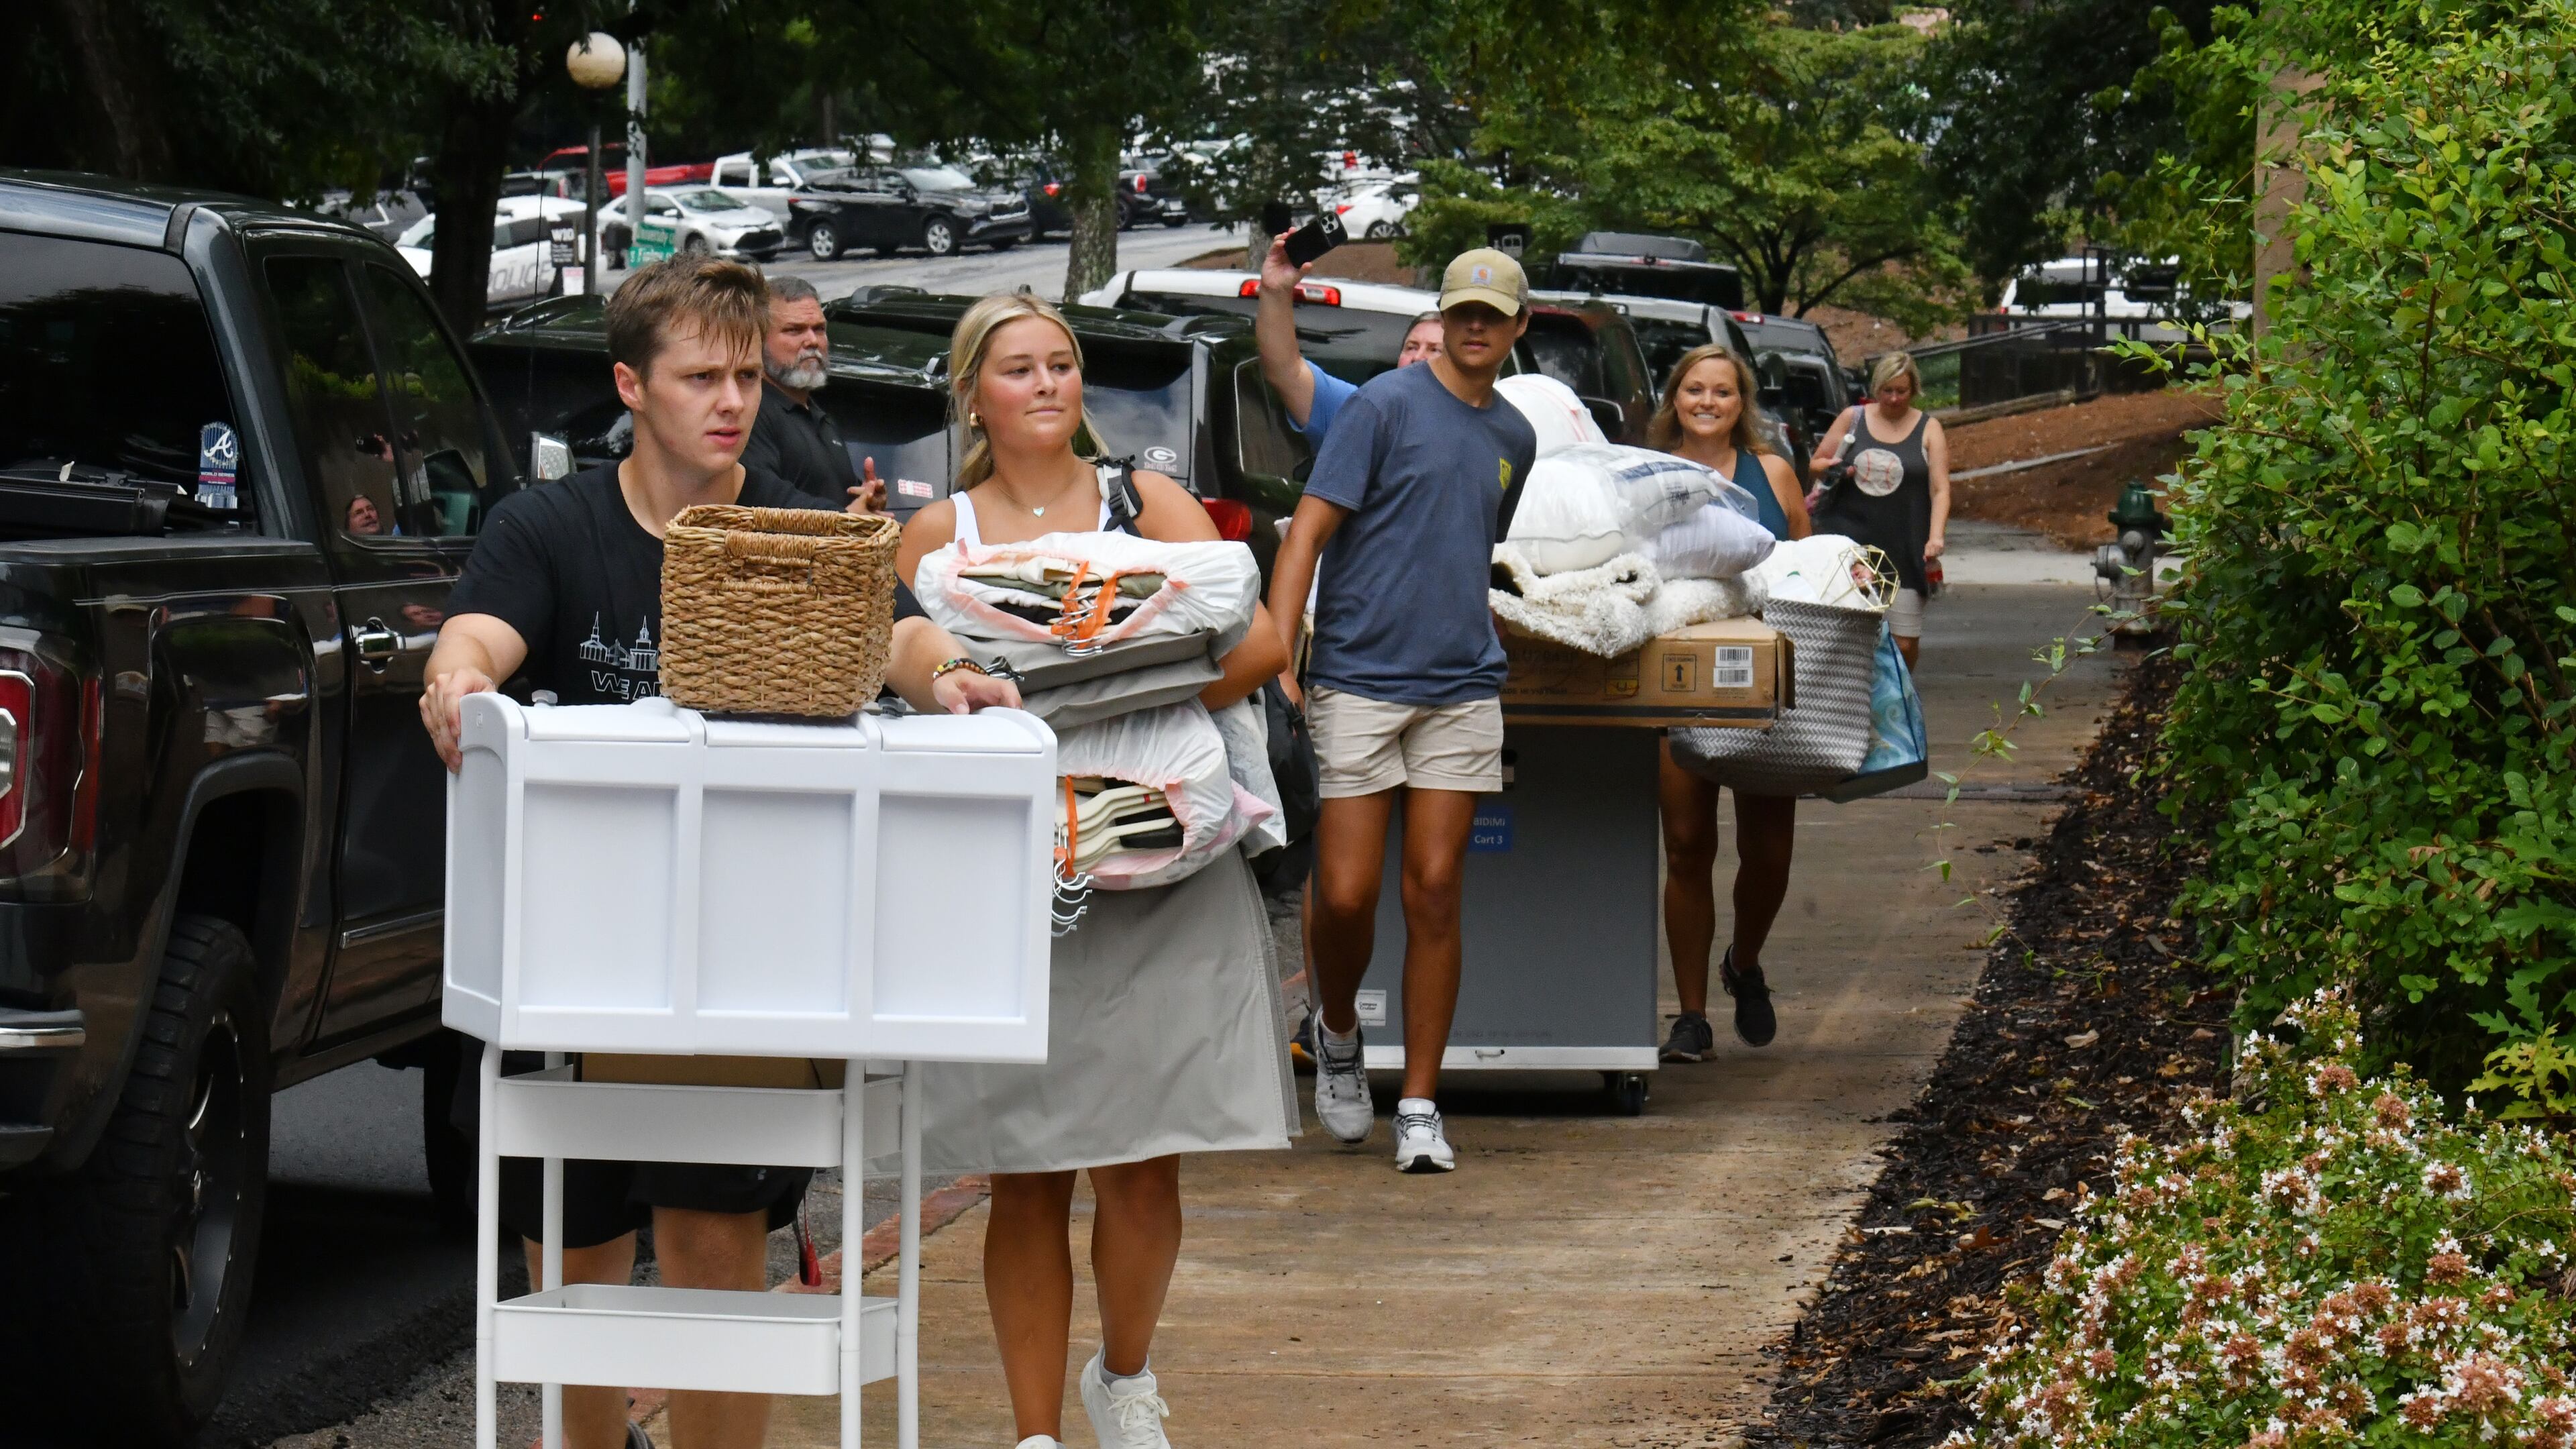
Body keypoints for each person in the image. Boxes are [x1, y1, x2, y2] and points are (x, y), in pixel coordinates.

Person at [417, 255, 1018, 1449]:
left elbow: (896, 632)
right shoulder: (549, 523)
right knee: (572, 1247)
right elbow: (480, 633)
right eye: (702, 376)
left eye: (745, 374)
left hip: (749, 949)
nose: (732, 398)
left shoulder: (798, 527)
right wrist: (458, 676)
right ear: (631, 386)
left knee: (710, 1245)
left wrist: (952, 675)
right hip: (576, 948)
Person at [898, 292, 1295, 1449]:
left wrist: (1118, 704)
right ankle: (1033, 1436)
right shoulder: (940, 541)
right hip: (1018, 893)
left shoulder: (1145, 502)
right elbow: (910, 685)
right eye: (1019, 369)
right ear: (973, 392)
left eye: (1062, 365)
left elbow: (1262, 638)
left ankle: (1124, 1379)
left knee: (1143, 1165)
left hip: (1164, 865)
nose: (1048, 385)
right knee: (1024, 1170)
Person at [1266, 248, 1537, 1175]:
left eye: (1491, 316)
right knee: (1344, 894)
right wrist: (1281, 655)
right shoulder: (1384, 406)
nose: (1474, 327)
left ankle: (1420, 1102)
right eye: (1460, 310)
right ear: (1443, 316)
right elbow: (1308, 530)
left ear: (1517, 329)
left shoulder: (1515, 437)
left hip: (1462, 686)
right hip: (1358, 678)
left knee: (1434, 888)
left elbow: (1467, 545)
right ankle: (1338, 1031)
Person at [1646, 345, 1810, 1059]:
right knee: (1686, 846)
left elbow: (1811, 565)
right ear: (1674, 399)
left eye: (1723, 392)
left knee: (1768, 854)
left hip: (1762, 686)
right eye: (1694, 390)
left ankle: (1743, 963)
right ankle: (1691, 1016)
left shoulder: (1771, 473)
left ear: (1743, 404)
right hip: (1675, 680)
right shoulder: (1645, 476)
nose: (1708, 402)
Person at [1808, 351, 1949, 669]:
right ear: (1876, 389)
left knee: (1904, 639)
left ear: (1914, 390)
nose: (1895, 399)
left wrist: (1935, 537)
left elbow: (1940, 489)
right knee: (1849, 635)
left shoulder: (1929, 428)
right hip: (1850, 541)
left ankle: (1900, 695)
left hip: (1903, 545)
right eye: (1888, 391)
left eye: (1902, 391)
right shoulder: (1853, 418)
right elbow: (1815, 464)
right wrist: (1831, 468)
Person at [1253, 231, 1442, 439]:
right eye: (1411, 347)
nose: (1417, 357)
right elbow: (1286, 371)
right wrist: (1275, 291)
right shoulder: (1362, 414)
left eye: (1434, 350)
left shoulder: (1476, 428)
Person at [737, 274, 887, 514]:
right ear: (758, 340)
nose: (812, 341)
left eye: (819, 329)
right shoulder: (751, 414)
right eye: (794, 330)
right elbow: (761, 510)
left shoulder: (820, 418)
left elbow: (835, 500)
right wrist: (845, 519)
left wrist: (867, 499)